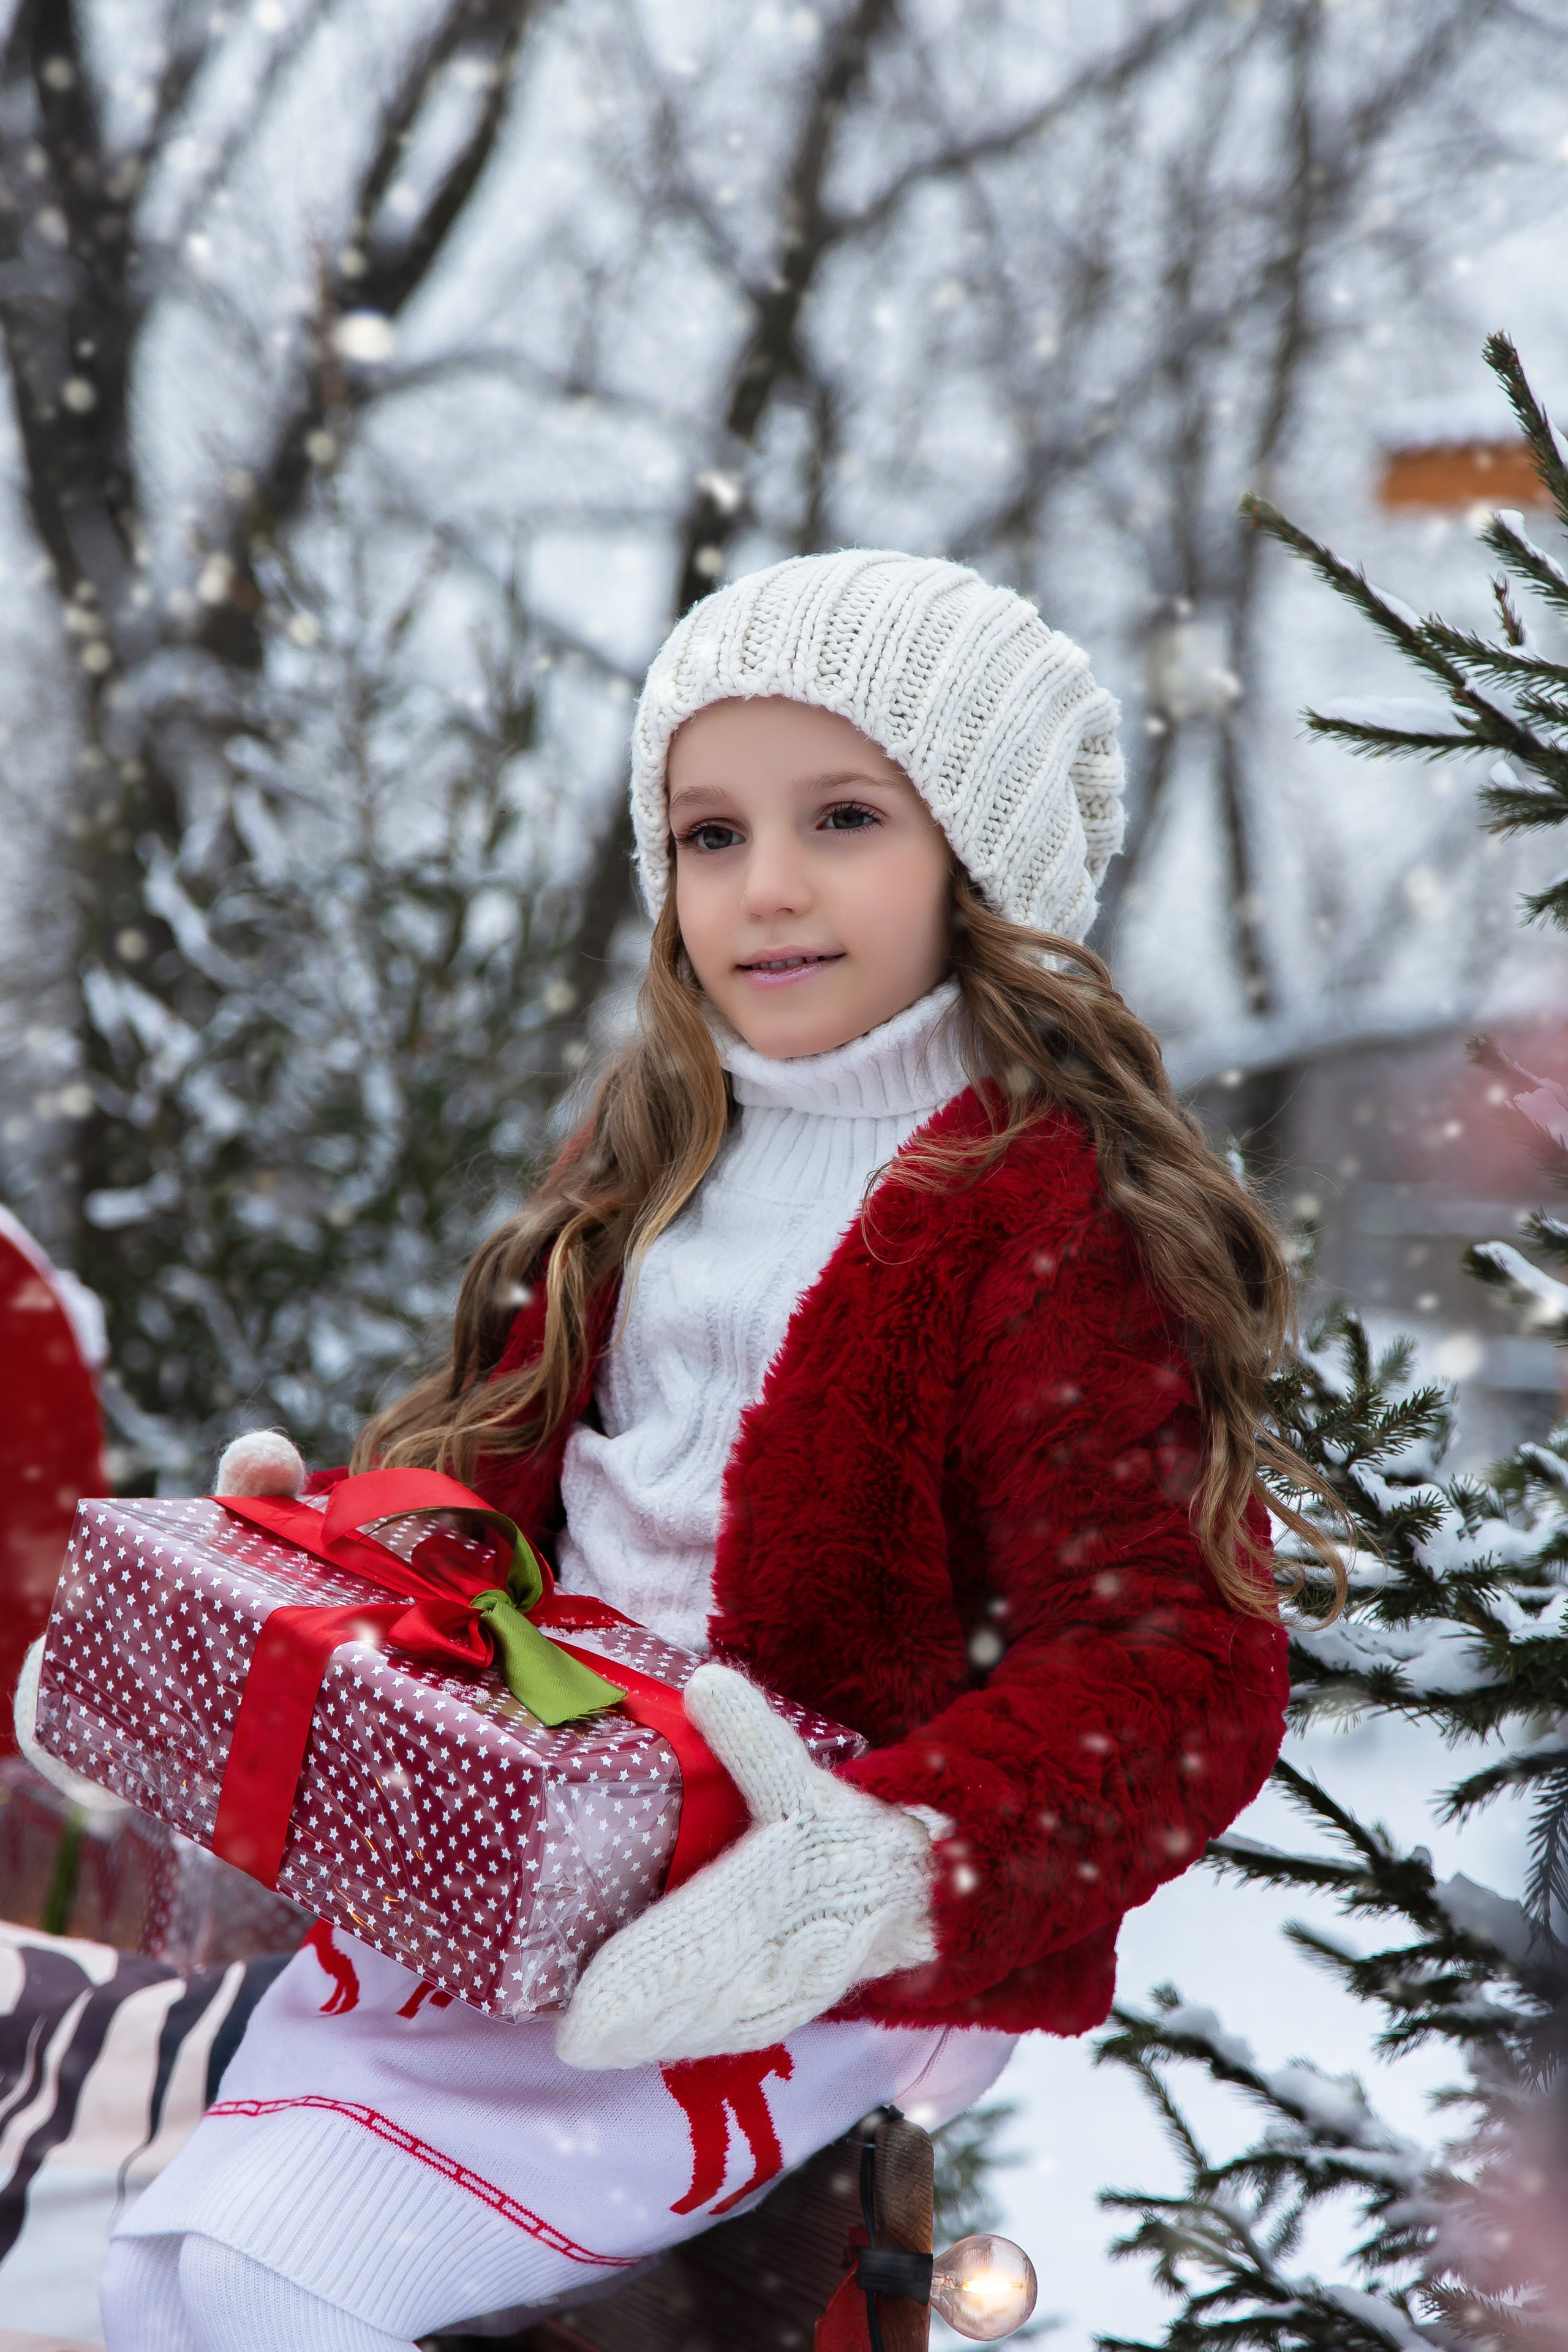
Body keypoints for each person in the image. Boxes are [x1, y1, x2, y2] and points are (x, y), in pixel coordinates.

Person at [95, 550, 1340, 2350]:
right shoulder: (658, 1145)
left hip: (801, 1910)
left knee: (273, 2276)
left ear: (975, 854)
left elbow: (1174, 1675)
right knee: (157, 2282)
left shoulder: (1039, 1209)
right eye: (707, 834)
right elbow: (556, 1528)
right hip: (548, 1845)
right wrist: (348, 1576)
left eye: (841, 817)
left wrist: (892, 1865)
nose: (765, 890)